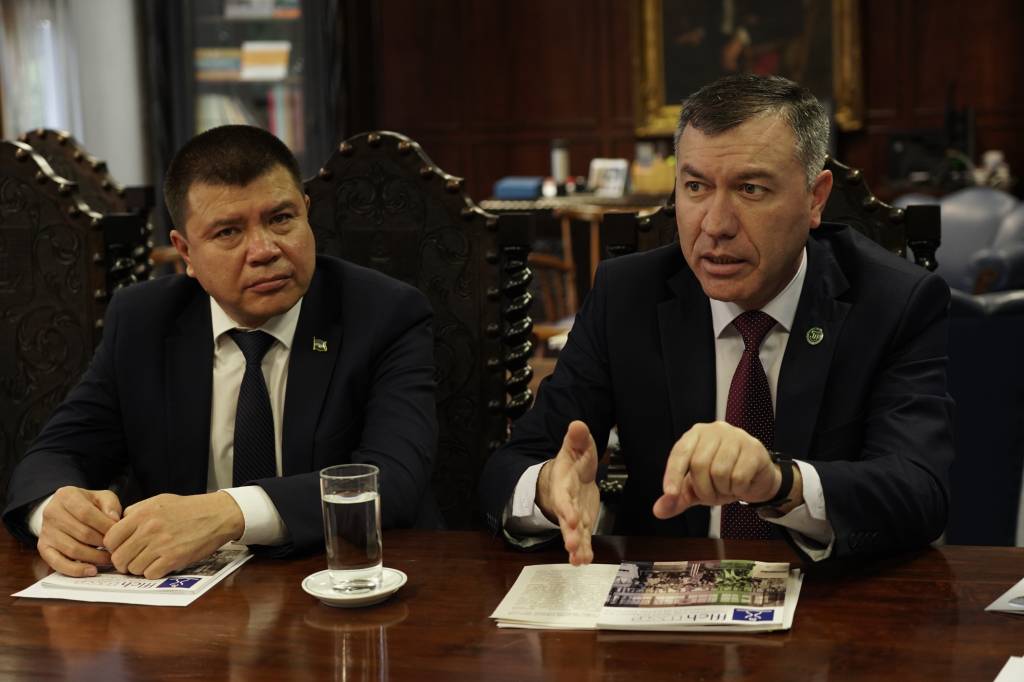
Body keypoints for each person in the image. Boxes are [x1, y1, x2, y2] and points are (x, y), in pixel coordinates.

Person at [479, 74, 953, 564]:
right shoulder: (628, 295)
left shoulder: (894, 302)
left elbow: (919, 490)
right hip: (664, 594)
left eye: (750, 188)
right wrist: (546, 489)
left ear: (815, 198)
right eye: (695, 187)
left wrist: (780, 483)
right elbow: (511, 465)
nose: (715, 225)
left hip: (831, 595)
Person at [3, 125, 440, 579]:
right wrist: (55, 512)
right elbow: (55, 454)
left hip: (344, 581)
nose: (265, 250)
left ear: (307, 213)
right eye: (229, 231)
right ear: (185, 252)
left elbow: (393, 479)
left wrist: (230, 512)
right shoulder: (143, 321)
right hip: (184, 599)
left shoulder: (384, 314)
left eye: (281, 218)